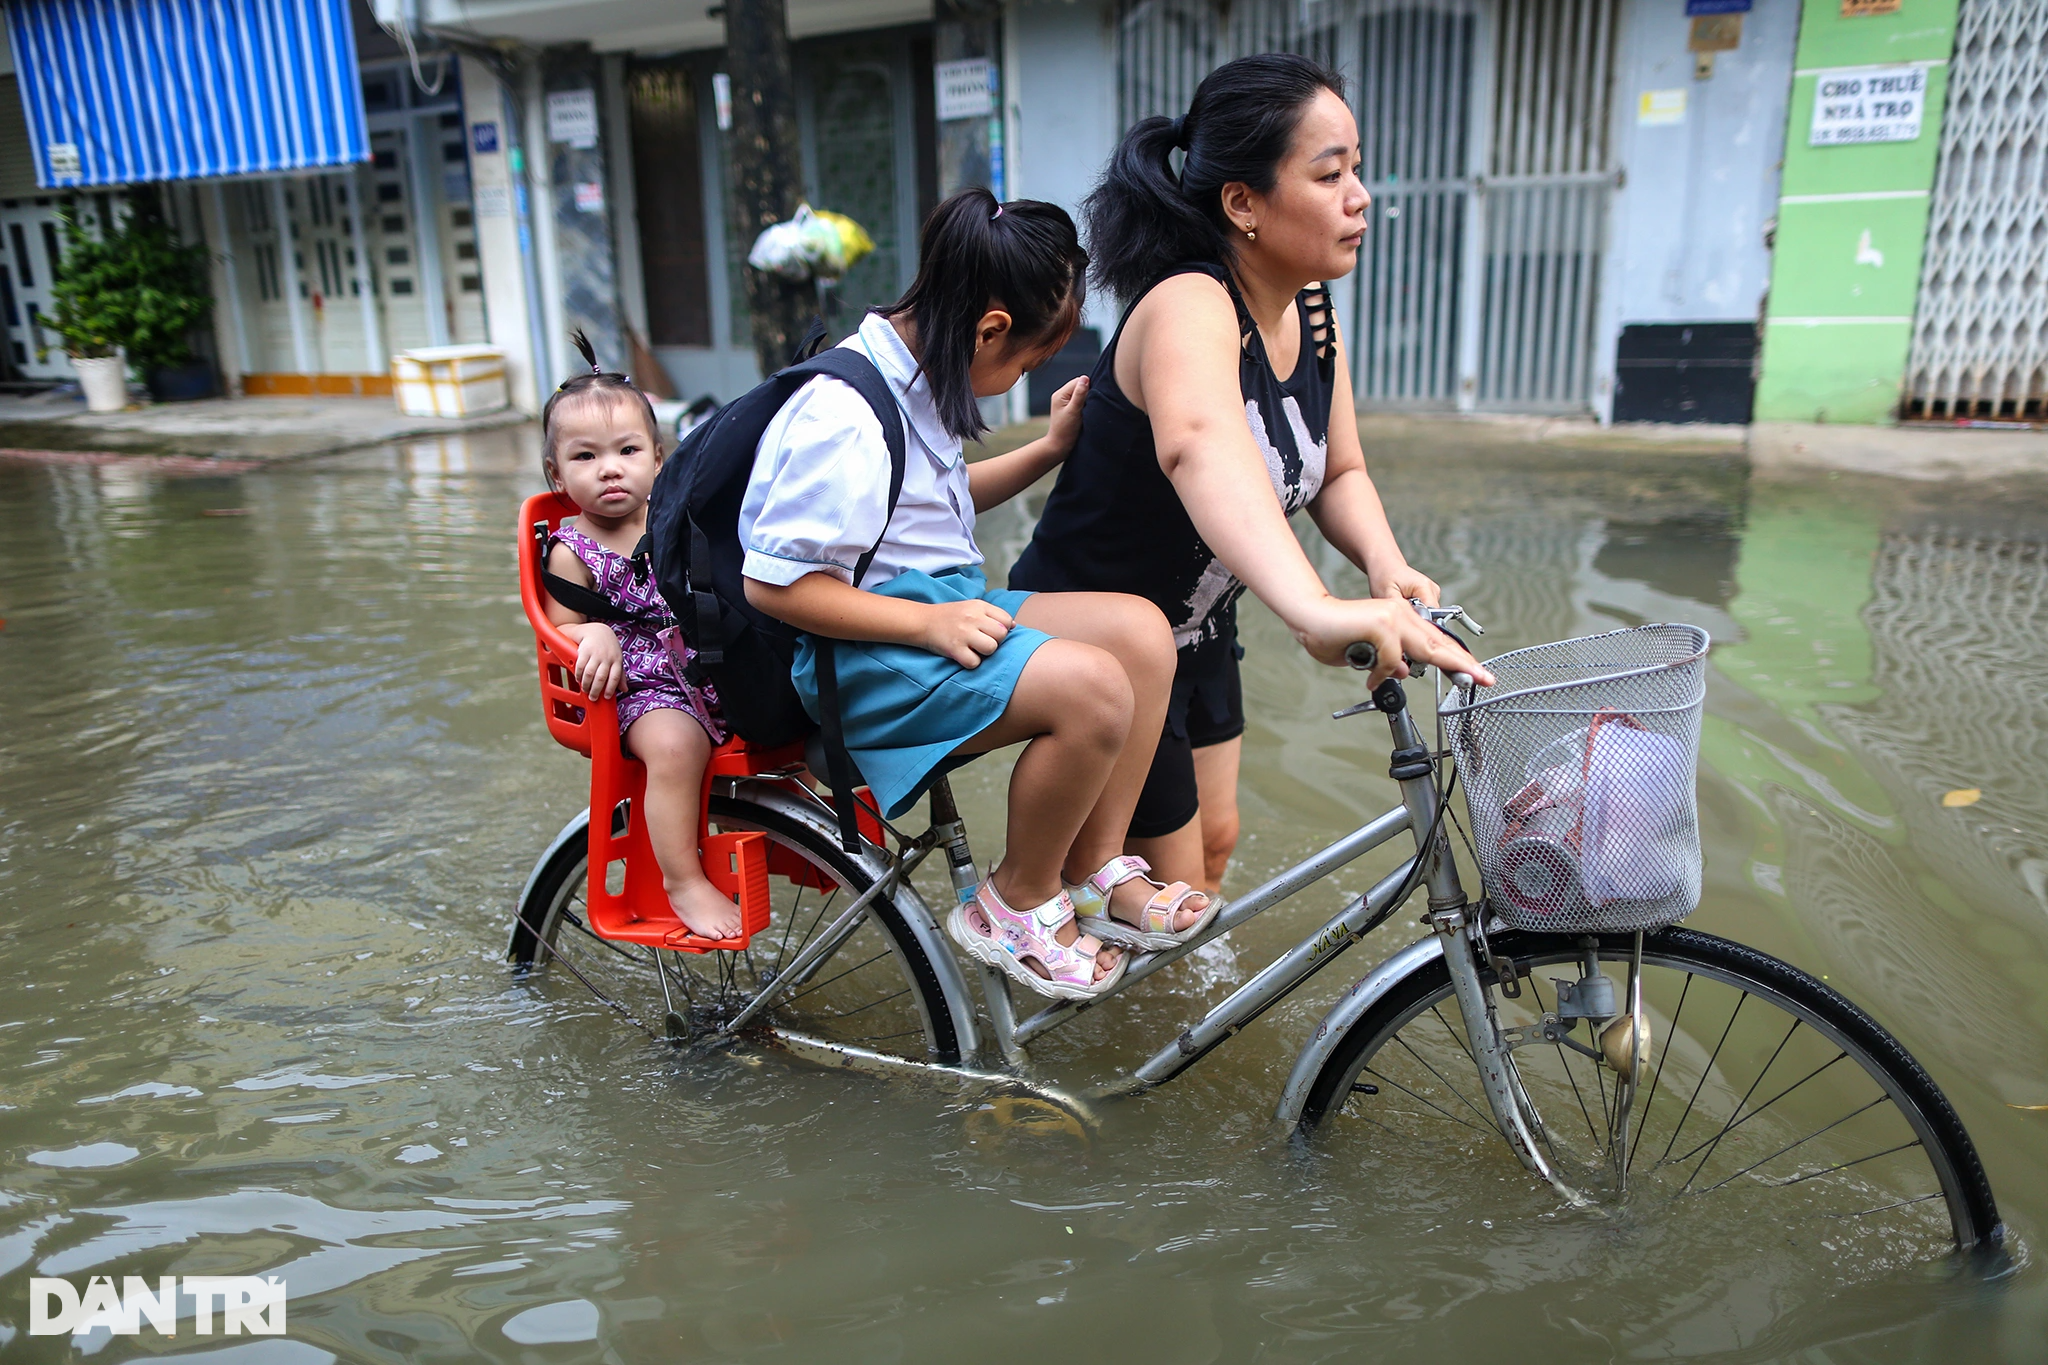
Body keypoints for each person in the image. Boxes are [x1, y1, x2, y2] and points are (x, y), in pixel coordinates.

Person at [1008, 53, 1492, 896]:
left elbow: (1339, 469)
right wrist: (1313, 608)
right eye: (1329, 172)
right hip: (1110, 642)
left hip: (1199, 634)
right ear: (1243, 203)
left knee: (1216, 845)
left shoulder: (1310, 307)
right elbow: (1199, 447)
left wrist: (1384, 566)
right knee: (1174, 892)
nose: (1360, 196)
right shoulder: (1188, 303)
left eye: (1358, 170)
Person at [739, 188, 1216, 1000]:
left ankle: (1093, 872)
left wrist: (1049, 449)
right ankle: (1016, 899)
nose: (1022, 375)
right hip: (864, 660)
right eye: (1028, 361)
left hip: (930, 615)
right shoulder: (843, 416)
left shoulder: (912, 374)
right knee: (1095, 688)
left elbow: (934, 503)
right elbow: (774, 584)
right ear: (991, 327)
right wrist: (927, 623)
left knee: (1140, 632)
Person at [539, 333, 740, 941]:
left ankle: (817, 826)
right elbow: (558, 625)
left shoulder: (673, 522)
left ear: (658, 457)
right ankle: (683, 880)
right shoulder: (572, 549)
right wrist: (591, 632)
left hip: (702, 666)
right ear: (556, 473)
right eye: (584, 457)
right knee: (677, 748)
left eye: (627, 450)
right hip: (634, 689)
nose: (609, 469)